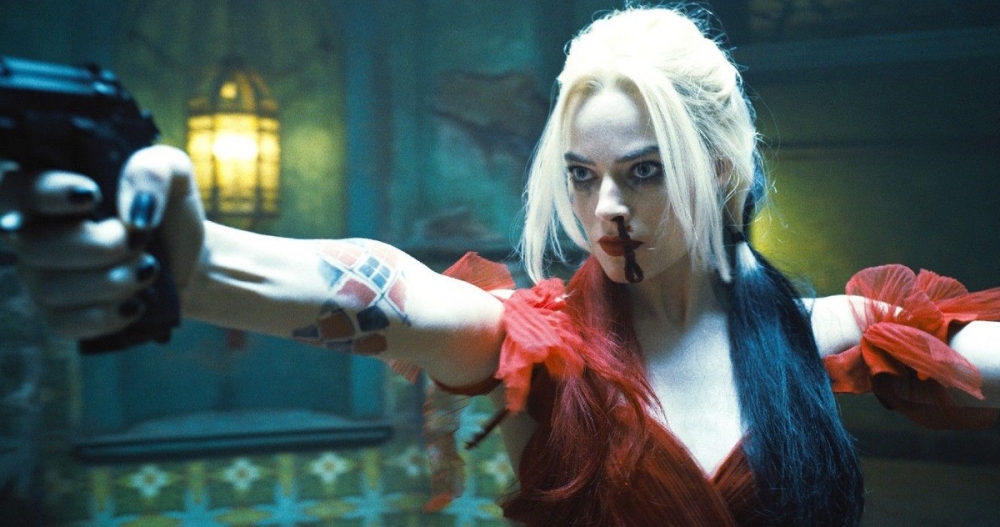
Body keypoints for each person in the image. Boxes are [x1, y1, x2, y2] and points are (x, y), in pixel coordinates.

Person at [2, 5, 999, 526]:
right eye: (581, 176)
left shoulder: (820, 333)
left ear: (723, 168)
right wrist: (200, 262)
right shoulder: (541, 345)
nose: (605, 211)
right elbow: (394, 294)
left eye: (644, 171)